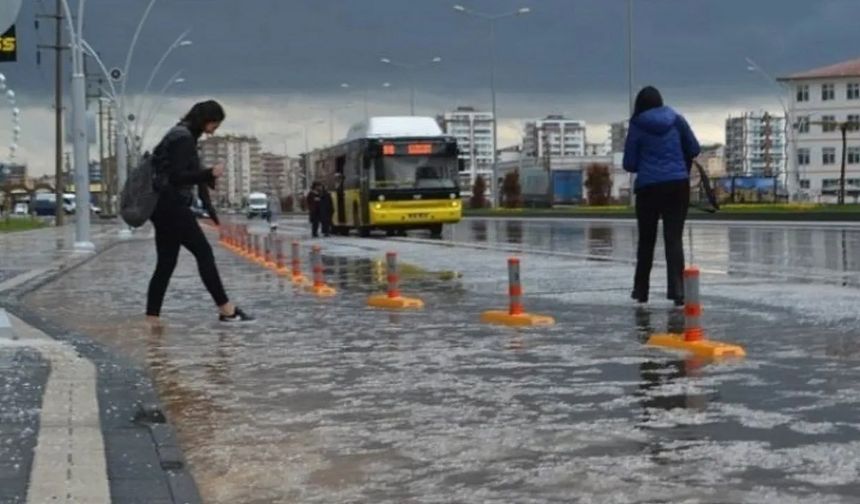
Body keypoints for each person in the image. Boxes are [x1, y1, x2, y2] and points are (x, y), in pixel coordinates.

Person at [146, 100, 253, 323]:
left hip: (162, 207)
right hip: (172, 206)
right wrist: (209, 173)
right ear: (206, 120)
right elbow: (177, 176)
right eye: (215, 124)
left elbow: (192, 174)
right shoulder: (183, 138)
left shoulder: (181, 135)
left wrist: (209, 205)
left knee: (166, 263)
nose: (214, 130)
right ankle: (226, 309)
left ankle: (152, 318)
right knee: (203, 253)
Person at [623, 86, 700, 306]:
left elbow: (629, 163)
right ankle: (678, 291)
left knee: (646, 240)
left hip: (648, 188)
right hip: (677, 186)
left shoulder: (637, 125)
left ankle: (641, 291)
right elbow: (694, 148)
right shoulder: (676, 120)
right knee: (673, 238)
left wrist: (646, 163)